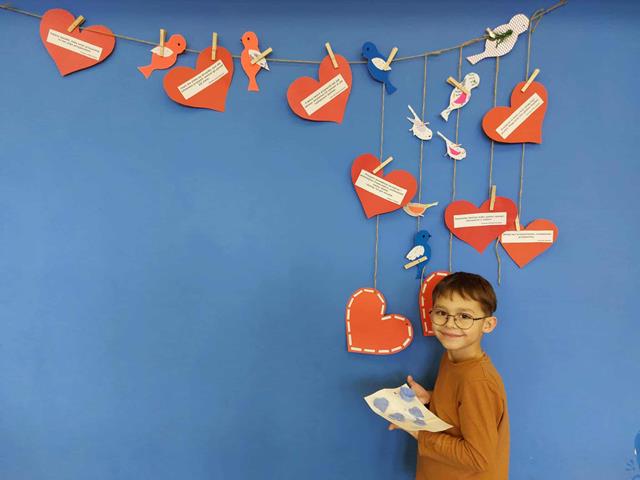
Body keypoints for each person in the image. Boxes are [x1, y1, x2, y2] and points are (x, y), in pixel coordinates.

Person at [389, 272, 510, 479]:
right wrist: (431, 396)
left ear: (488, 324)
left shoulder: (477, 382)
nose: (450, 323)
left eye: (465, 316)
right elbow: (461, 407)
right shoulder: (451, 356)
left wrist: (418, 432)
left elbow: (478, 457)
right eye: (441, 313)